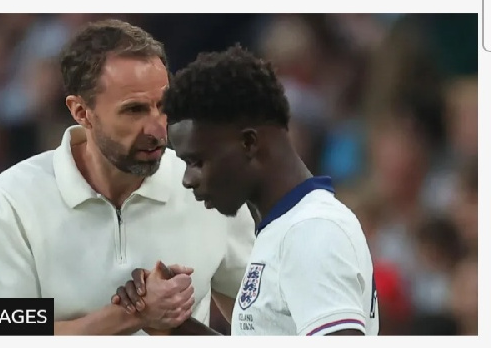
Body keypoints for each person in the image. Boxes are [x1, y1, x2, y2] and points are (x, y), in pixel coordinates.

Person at [0, 20, 256, 335]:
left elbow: (262, 322)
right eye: (134, 110)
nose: (158, 129)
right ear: (81, 112)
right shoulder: (15, 196)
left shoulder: (212, 188)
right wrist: (134, 315)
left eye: (163, 106)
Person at [112, 45, 380, 336]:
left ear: (249, 143)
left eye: (197, 161)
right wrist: (174, 326)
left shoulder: (312, 231)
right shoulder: (283, 229)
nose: (188, 179)